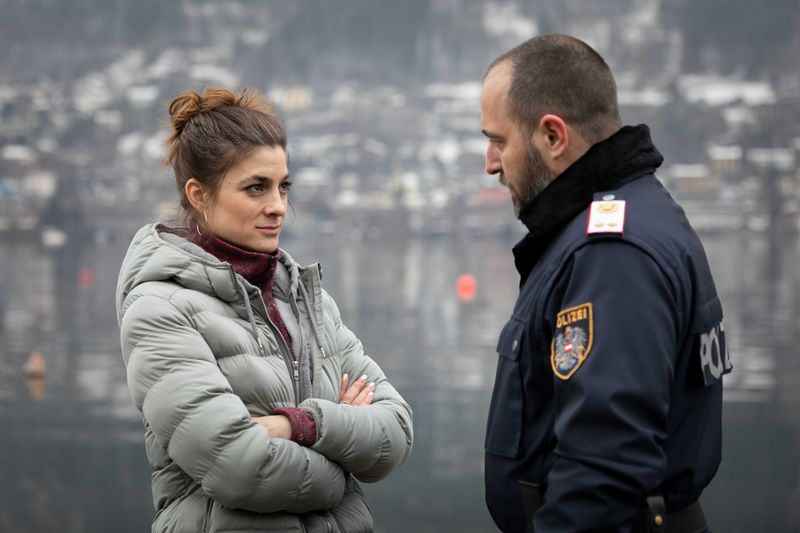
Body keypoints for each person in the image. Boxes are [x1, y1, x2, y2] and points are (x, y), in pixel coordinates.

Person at [116, 87, 413, 533]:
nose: (277, 206)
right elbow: (240, 467)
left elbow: (395, 433)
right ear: (199, 194)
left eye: (282, 187)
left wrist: (301, 426)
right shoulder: (159, 309)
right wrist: (343, 465)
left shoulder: (309, 303)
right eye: (256, 188)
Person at [480, 34, 731, 532]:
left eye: (498, 140)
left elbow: (605, 469)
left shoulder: (612, 253)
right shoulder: (637, 214)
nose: (490, 163)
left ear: (553, 137)